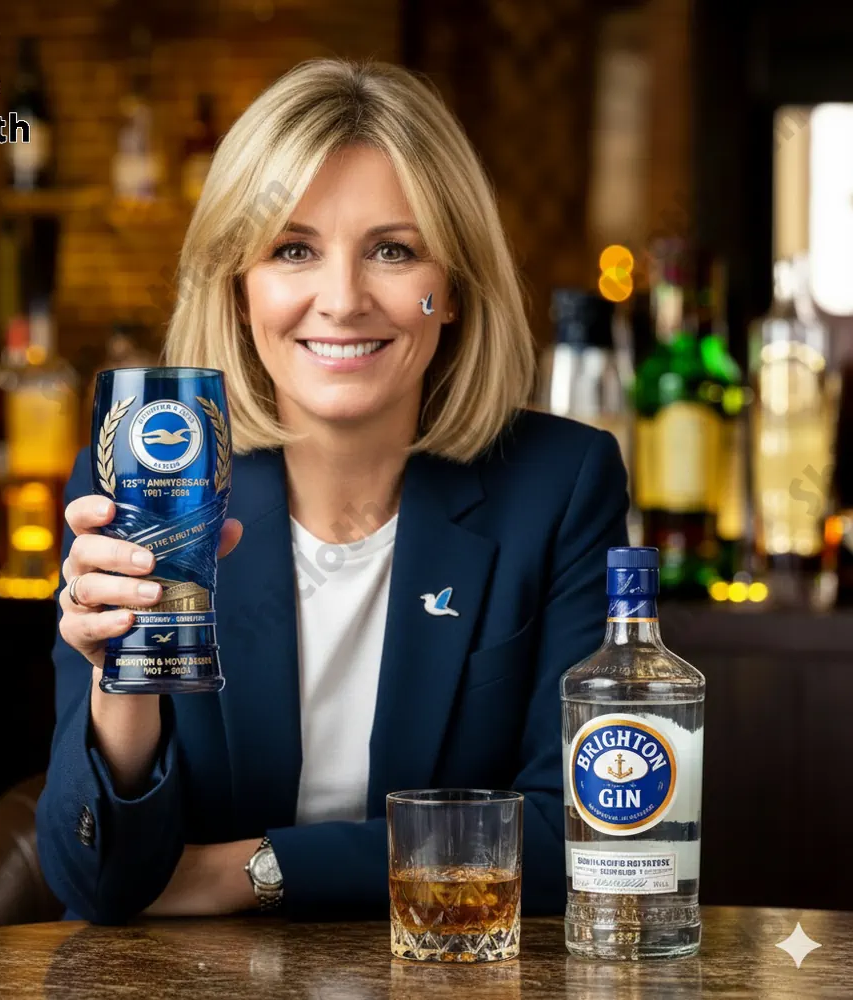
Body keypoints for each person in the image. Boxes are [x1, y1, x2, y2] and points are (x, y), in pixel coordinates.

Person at [35, 57, 629, 924]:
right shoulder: (137, 482)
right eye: (292, 250)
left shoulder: (560, 485)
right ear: (241, 291)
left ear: (452, 288)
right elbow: (98, 884)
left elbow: (585, 838)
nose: (343, 299)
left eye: (393, 250)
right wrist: (116, 678)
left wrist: (256, 870)